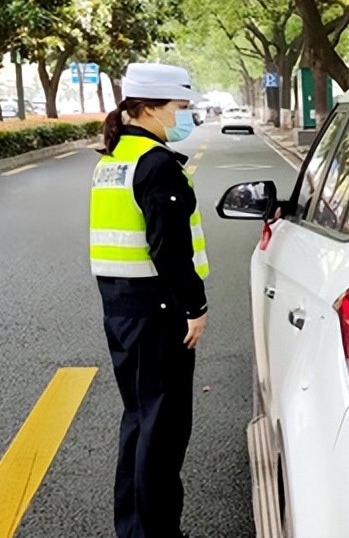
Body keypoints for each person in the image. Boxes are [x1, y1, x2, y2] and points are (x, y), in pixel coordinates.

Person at [89, 63, 209, 538]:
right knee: (162, 434)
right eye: (180, 109)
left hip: (123, 309)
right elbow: (171, 249)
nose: (184, 118)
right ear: (151, 108)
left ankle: (136, 530)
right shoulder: (156, 166)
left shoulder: (114, 160)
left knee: (141, 423)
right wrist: (194, 307)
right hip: (160, 314)